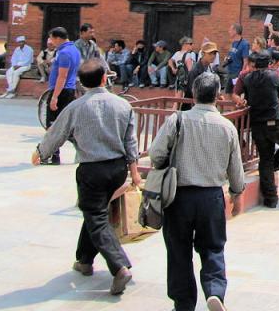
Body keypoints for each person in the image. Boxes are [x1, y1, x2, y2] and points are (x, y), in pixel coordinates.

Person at [31, 58, 140, 296]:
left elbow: (56, 133)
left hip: (91, 169)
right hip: (117, 168)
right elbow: (130, 142)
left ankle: (119, 266)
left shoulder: (75, 107)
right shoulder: (123, 105)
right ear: (104, 78)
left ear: (81, 82)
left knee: (96, 216)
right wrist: (134, 172)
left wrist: (40, 152)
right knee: (94, 211)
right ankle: (84, 260)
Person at [149, 71, 245, 311]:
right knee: (212, 247)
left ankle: (183, 303)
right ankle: (214, 292)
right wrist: (236, 193)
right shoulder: (227, 127)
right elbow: (236, 169)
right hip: (211, 197)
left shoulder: (177, 120)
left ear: (193, 94)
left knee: (178, 250)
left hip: (178, 196)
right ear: (218, 95)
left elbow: (156, 154)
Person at [235, 48, 279, 208]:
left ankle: (271, 199)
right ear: (268, 63)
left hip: (256, 123)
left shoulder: (248, 78)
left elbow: (243, 94)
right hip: (273, 122)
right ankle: (275, 167)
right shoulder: (274, 76)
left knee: (265, 159)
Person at [43, 27, 82, 164]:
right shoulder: (74, 50)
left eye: (52, 39)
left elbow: (62, 76)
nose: (51, 42)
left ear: (58, 38)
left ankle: (53, 155)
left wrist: (54, 97)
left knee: (52, 125)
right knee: (67, 124)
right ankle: (83, 151)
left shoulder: (64, 52)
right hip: (69, 90)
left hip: (61, 91)